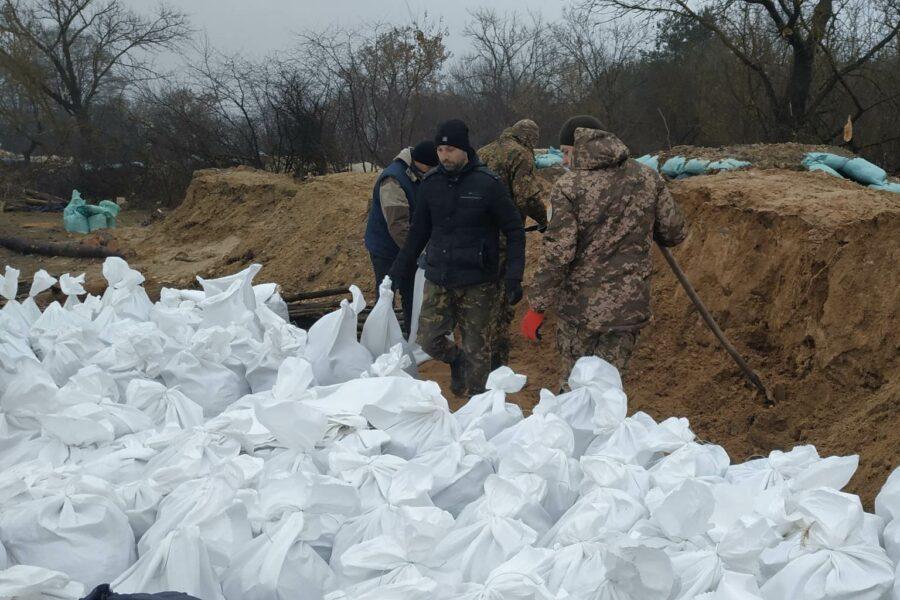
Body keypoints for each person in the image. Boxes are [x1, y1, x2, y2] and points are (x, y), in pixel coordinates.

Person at [520, 115, 687, 387]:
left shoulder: (569, 187)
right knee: (609, 390)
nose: (564, 161)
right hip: (627, 310)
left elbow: (558, 255)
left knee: (575, 390)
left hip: (580, 313)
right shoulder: (648, 177)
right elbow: (674, 233)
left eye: (566, 153)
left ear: (582, 146)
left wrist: (537, 307)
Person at [390, 119, 526, 396]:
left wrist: (514, 275)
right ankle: (456, 360)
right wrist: (396, 273)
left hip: (478, 280)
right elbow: (417, 233)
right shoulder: (431, 183)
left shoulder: (488, 184)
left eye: (450, 150)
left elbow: (514, 230)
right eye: (440, 150)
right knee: (428, 339)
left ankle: (478, 405)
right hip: (439, 275)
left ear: (464, 149)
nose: (444, 156)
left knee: (478, 350)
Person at [478, 118, 548, 369]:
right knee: (502, 298)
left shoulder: (483, 151)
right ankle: (497, 364)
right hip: (504, 235)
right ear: (531, 139)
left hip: (475, 236)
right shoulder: (520, 155)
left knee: (479, 295)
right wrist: (544, 220)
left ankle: (475, 353)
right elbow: (526, 196)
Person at [363, 140, 439, 335]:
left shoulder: (417, 174)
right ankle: (382, 337)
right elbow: (398, 225)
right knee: (387, 292)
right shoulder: (393, 180)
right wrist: (418, 251)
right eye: (431, 168)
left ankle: (411, 336)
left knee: (411, 292)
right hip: (386, 248)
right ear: (421, 163)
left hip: (408, 246)